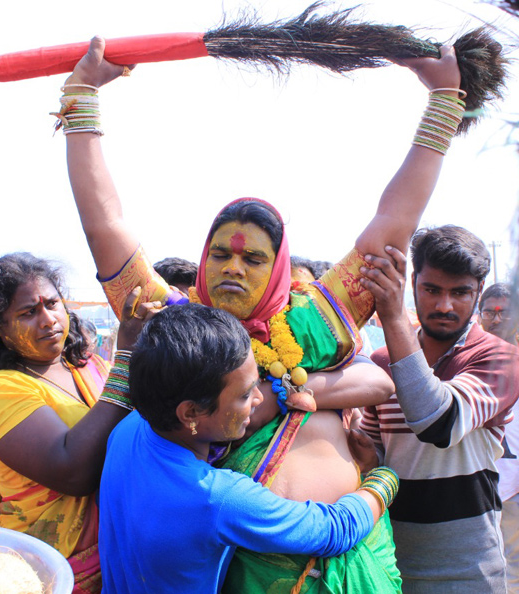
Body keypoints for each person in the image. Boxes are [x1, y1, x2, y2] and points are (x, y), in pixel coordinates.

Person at [56, 36, 464, 591]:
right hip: (254, 572)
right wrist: (82, 101)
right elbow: (105, 224)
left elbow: (392, 221)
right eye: (220, 254)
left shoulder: (312, 321)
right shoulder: (174, 329)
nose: (233, 268)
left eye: (254, 259)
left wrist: (443, 101)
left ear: (278, 268)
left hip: (361, 561)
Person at [99, 303, 399, 594]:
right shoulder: (214, 498)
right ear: (190, 413)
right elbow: (334, 531)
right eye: (244, 394)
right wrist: (382, 478)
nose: (261, 398)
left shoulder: (129, 428)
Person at [0, 252, 160, 593]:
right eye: (28, 312)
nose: (48, 319)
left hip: (120, 556)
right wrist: (127, 358)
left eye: (52, 304)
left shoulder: (90, 365)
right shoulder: (0, 391)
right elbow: (72, 471)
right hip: (46, 569)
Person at [360, 225, 519, 592]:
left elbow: (438, 423)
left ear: (478, 291)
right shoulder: (382, 364)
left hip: (467, 572)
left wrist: (394, 317)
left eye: (460, 292)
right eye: (432, 290)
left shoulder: (500, 360)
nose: (444, 305)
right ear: (413, 282)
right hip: (387, 565)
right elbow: (372, 454)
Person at [480, 282, 519, 593]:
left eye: (501, 313)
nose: (494, 319)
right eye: (487, 312)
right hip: (475, 491)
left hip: (514, 491)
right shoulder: (466, 363)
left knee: (514, 570)